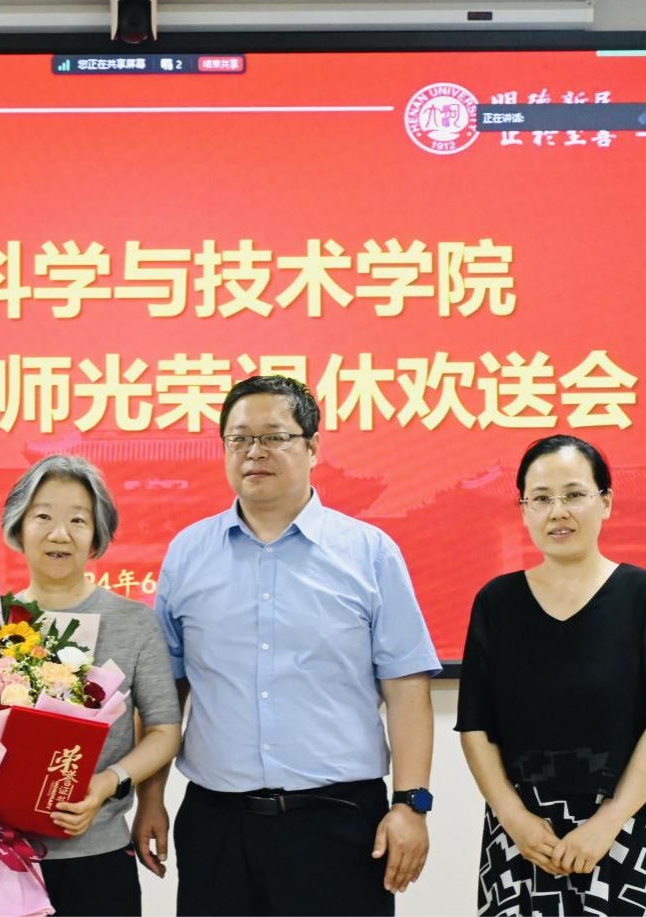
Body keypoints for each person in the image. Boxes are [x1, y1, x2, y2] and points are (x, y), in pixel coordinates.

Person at [134, 375, 441, 917]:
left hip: (339, 821)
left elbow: (406, 686)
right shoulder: (188, 552)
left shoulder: (368, 552)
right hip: (217, 822)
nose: (254, 451)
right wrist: (150, 798)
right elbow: (166, 691)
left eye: (274, 436)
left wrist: (411, 805)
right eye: (239, 438)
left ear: (312, 447)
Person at [456, 434, 646, 915]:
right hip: (526, 837)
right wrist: (514, 818)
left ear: (605, 502)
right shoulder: (496, 603)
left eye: (574, 495)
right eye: (541, 499)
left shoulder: (645, 594)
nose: (558, 512)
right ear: (523, 510)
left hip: (628, 827)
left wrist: (608, 821)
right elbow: (475, 726)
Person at [0, 455, 182, 917]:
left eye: (78, 520)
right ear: (18, 527)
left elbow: (165, 729)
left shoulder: (134, 622)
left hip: (98, 858)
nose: (59, 533)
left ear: (97, 535)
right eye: (43, 516)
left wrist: (107, 783)